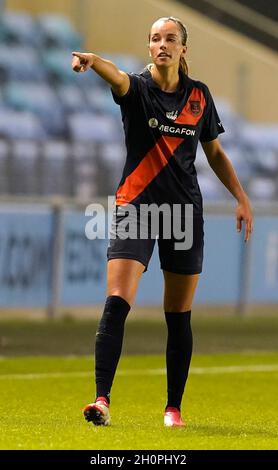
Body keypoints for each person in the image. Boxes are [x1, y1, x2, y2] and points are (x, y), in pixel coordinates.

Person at [72, 16, 253, 427]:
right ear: (149, 47)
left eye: (170, 38)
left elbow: (216, 155)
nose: (162, 44)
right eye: (155, 39)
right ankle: (101, 400)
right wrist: (94, 60)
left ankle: (173, 408)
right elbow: (117, 78)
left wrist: (241, 197)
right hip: (135, 208)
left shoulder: (199, 97)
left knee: (178, 314)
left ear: (183, 48)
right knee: (117, 301)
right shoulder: (137, 90)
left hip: (184, 213)